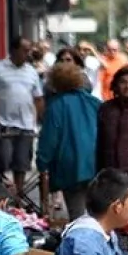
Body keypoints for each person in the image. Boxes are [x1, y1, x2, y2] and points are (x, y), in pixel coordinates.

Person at [37, 62, 101, 219]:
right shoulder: (95, 103)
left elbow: (49, 139)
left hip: (69, 167)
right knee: (97, 214)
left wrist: (42, 162)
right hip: (95, 163)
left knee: (77, 213)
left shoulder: (56, 106)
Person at [0, 36, 44, 197]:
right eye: (25, 50)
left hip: (26, 125)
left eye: (29, 50)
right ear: (13, 50)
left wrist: (37, 120)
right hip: (5, 124)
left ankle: (18, 197)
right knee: (1, 161)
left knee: (21, 164)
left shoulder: (31, 71)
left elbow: (38, 98)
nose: (28, 54)